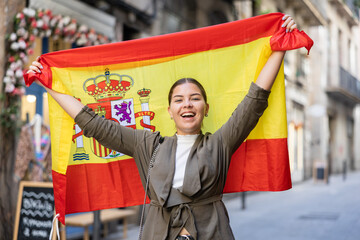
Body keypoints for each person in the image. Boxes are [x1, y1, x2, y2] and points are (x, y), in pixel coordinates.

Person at [28, 15, 297, 240]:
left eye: (195, 98)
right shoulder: (147, 145)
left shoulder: (220, 143)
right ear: (169, 111)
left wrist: (280, 47)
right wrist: (50, 86)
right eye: (179, 100)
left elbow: (254, 102)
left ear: (205, 108)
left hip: (213, 232)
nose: (187, 105)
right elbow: (95, 125)